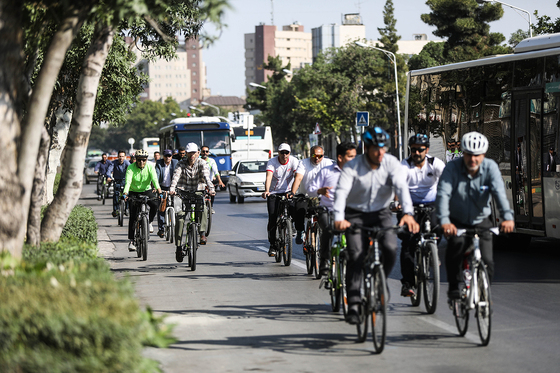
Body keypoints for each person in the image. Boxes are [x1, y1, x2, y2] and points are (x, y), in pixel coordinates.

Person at [333, 127, 419, 325]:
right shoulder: (353, 166)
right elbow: (341, 193)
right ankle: (354, 303)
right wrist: (339, 217)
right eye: (376, 149)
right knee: (356, 254)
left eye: (384, 148)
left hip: (381, 213)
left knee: (391, 247)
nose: (380, 153)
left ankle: (381, 281)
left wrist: (408, 213)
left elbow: (401, 188)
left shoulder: (391, 163)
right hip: (354, 213)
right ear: (367, 148)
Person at [436, 131, 514, 300]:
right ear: (462, 153)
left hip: (481, 220)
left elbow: (500, 194)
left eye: (477, 155)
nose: (473, 160)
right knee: (454, 251)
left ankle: (483, 296)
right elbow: (443, 195)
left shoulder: (490, 168)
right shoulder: (452, 168)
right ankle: (454, 288)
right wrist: (444, 221)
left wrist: (507, 217)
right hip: (456, 220)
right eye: (469, 155)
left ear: (483, 155)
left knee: (488, 261)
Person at [398, 133, 445, 297]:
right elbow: (399, 187)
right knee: (408, 243)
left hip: (432, 204)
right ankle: (408, 283)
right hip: (409, 206)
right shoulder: (404, 166)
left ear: (427, 150)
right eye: (413, 150)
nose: (417, 153)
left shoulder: (435, 164)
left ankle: (433, 251)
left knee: (440, 226)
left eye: (420, 150)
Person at [308, 142, 357, 276]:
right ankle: (324, 260)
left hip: (349, 210)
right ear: (340, 158)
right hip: (327, 209)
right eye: (350, 157)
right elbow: (311, 190)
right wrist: (320, 190)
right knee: (329, 229)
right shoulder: (326, 172)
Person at [170, 142, 215, 245]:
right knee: (180, 217)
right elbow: (176, 176)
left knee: (203, 208)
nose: (192, 155)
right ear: (186, 153)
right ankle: (178, 245)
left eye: (194, 153)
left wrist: (211, 188)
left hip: (198, 191)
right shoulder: (180, 163)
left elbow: (206, 177)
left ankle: (202, 233)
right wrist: (172, 188)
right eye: (189, 153)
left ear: (198, 153)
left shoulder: (202, 163)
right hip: (183, 192)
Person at [261, 143, 300, 257]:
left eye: (286, 153)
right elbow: (269, 176)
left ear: (289, 153)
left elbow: (298, 176)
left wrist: (293, 192)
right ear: (278, 153)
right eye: (282, 152)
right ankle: (272, 245)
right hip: (274, 193)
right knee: (273, 217)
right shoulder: (272, 162)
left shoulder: (294, 161)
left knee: (295, 209)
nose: (284, 155)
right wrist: (267, 191)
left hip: (289, 191)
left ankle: (291, 224)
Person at [291, 145, 333, 245]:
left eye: (320, 156)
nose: (317, 158)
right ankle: (300, 231)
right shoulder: (303, 163)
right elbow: (298, 178)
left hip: (322, 196)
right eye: (314, 155)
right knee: (299, 210)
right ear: (310, 155)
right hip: (305, 195)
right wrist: (292, 193)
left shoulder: (328, 163)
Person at [123, 149, 162, 251]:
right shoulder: (131, 167)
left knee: (155, 204)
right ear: (135, 159)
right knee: (133, 216)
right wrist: (125, 193)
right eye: (139, 160)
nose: (141, 162)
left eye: (144, 160)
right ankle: (131, 241)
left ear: (146, 159)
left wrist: (160, 192)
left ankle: (149, 222)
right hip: (133, 192)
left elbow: (154, 179)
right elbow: (128, 181)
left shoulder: (150, 166)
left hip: (146, 190)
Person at [155, 149, 178, 237]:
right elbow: (156, 176)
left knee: (176, 206)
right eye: (166, 156)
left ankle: (175, 224)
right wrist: (156, 187)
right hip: (162, 188)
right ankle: (161, 229)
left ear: (172, 157)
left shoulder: (175, 163)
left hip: (173, 187)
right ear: (163, 156)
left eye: (169, 156)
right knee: (161, 207)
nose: (167, 158)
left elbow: (178, 175)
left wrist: (177, 187)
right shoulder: (159, 163)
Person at [200, 145, 225, 213]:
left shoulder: (211, 161)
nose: (205, 153)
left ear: (208, 153)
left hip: (210, 182)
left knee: (212, 192)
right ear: (200, 152)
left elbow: (216, 171)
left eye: (206, 151)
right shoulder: (198, 160)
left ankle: (210, 207)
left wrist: (220, 181)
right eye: (203, 151)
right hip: (200, 182)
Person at [108, 150, 130, 217]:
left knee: (127, 194)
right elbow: (109, 170)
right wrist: (109, 177)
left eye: (122, 156)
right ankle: (115, 210)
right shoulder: (114, 163)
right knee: (116, 194)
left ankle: (127, 208)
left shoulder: (127, 163)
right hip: (116, 181)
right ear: (117, 157)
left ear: (125, 157)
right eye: (120, 156)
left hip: (125, 181)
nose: (121, 158)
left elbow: (131, 170)